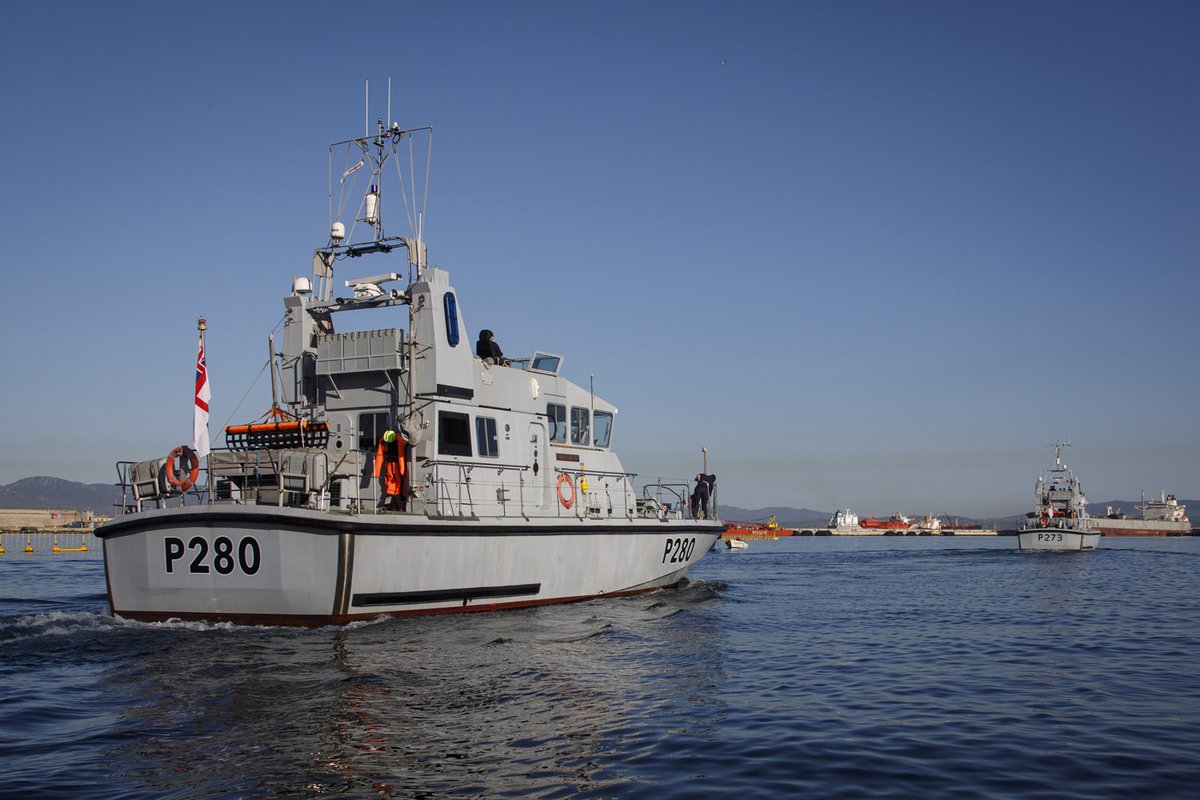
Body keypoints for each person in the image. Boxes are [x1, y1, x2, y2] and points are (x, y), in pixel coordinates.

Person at [373, 429, 407, 511]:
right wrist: (376, 472)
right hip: (391, 466)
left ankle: (398, 505)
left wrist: (402, 470)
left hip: (396, 466)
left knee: (398, 485)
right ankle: (392, 505)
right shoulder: (384, 440)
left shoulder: (399, 440)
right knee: (391, 485)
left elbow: (401, 455)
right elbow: (380, 456)